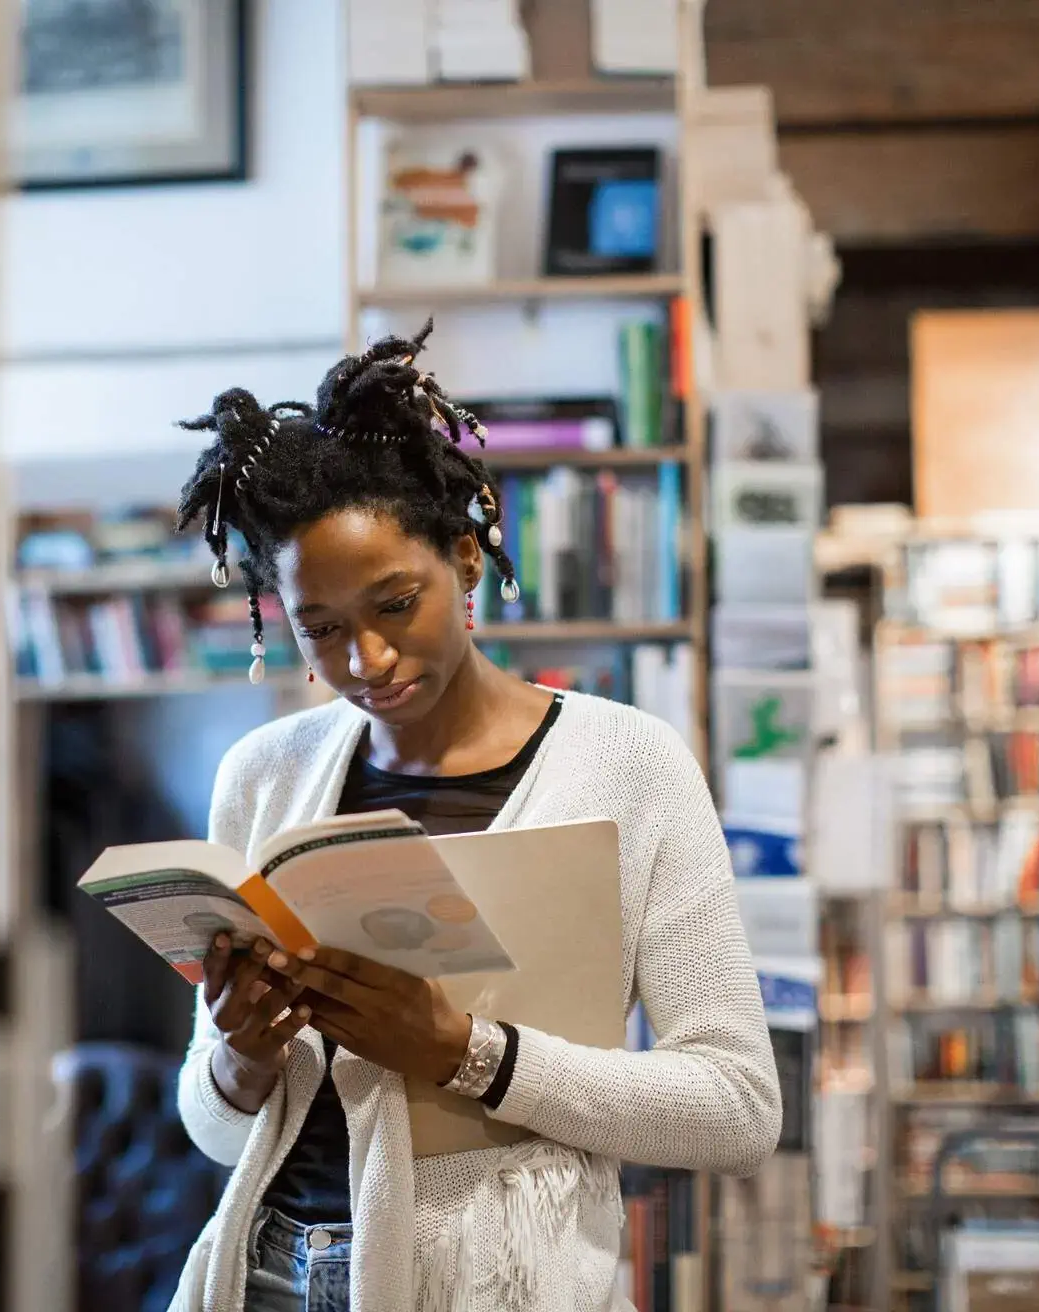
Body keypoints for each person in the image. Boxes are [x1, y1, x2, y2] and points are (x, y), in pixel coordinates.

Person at [167, 324, 781, 1312]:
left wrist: (470, 1055)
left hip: (500, 1286)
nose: (364, 660)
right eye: (320, 628)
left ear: (464, 557)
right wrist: (240, 1056)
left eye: (395, 603)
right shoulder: (263, 776)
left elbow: (737, 1109)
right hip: (269, 1273)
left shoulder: (627, 764)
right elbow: (212, 1126)